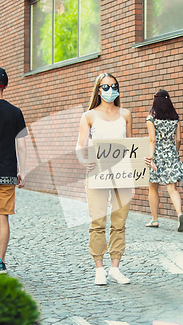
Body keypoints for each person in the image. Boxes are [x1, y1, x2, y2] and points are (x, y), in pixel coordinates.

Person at [75, 73, 133, 285]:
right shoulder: (89, 116)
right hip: (98, 173)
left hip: (122, 174)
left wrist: (143, 160)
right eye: (106, 87)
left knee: (119, 222)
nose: (110, 90)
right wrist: (83, 160)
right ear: (98, 90)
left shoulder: (126, 114)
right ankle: (99, 268)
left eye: (114, 86)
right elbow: (80, 145)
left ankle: (115, 268)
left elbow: (131, 145)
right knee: (97, 221)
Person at [0, 67, 28, 274]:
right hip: (7, 171)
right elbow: (22, 145)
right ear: (5, 86)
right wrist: (23, 171)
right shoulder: (15, 112)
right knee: (2, 217)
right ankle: (0, 262)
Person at [144, 90, 183, 231]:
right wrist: (175, 153)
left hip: (156, 156)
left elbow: (152, 140)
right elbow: (179, 139)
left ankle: (155, 220)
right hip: (171, 155)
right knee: (172, 189)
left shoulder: (151, 118)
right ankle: (180, 213)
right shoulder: (176, 118)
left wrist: (150, 158)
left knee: (153, 188)